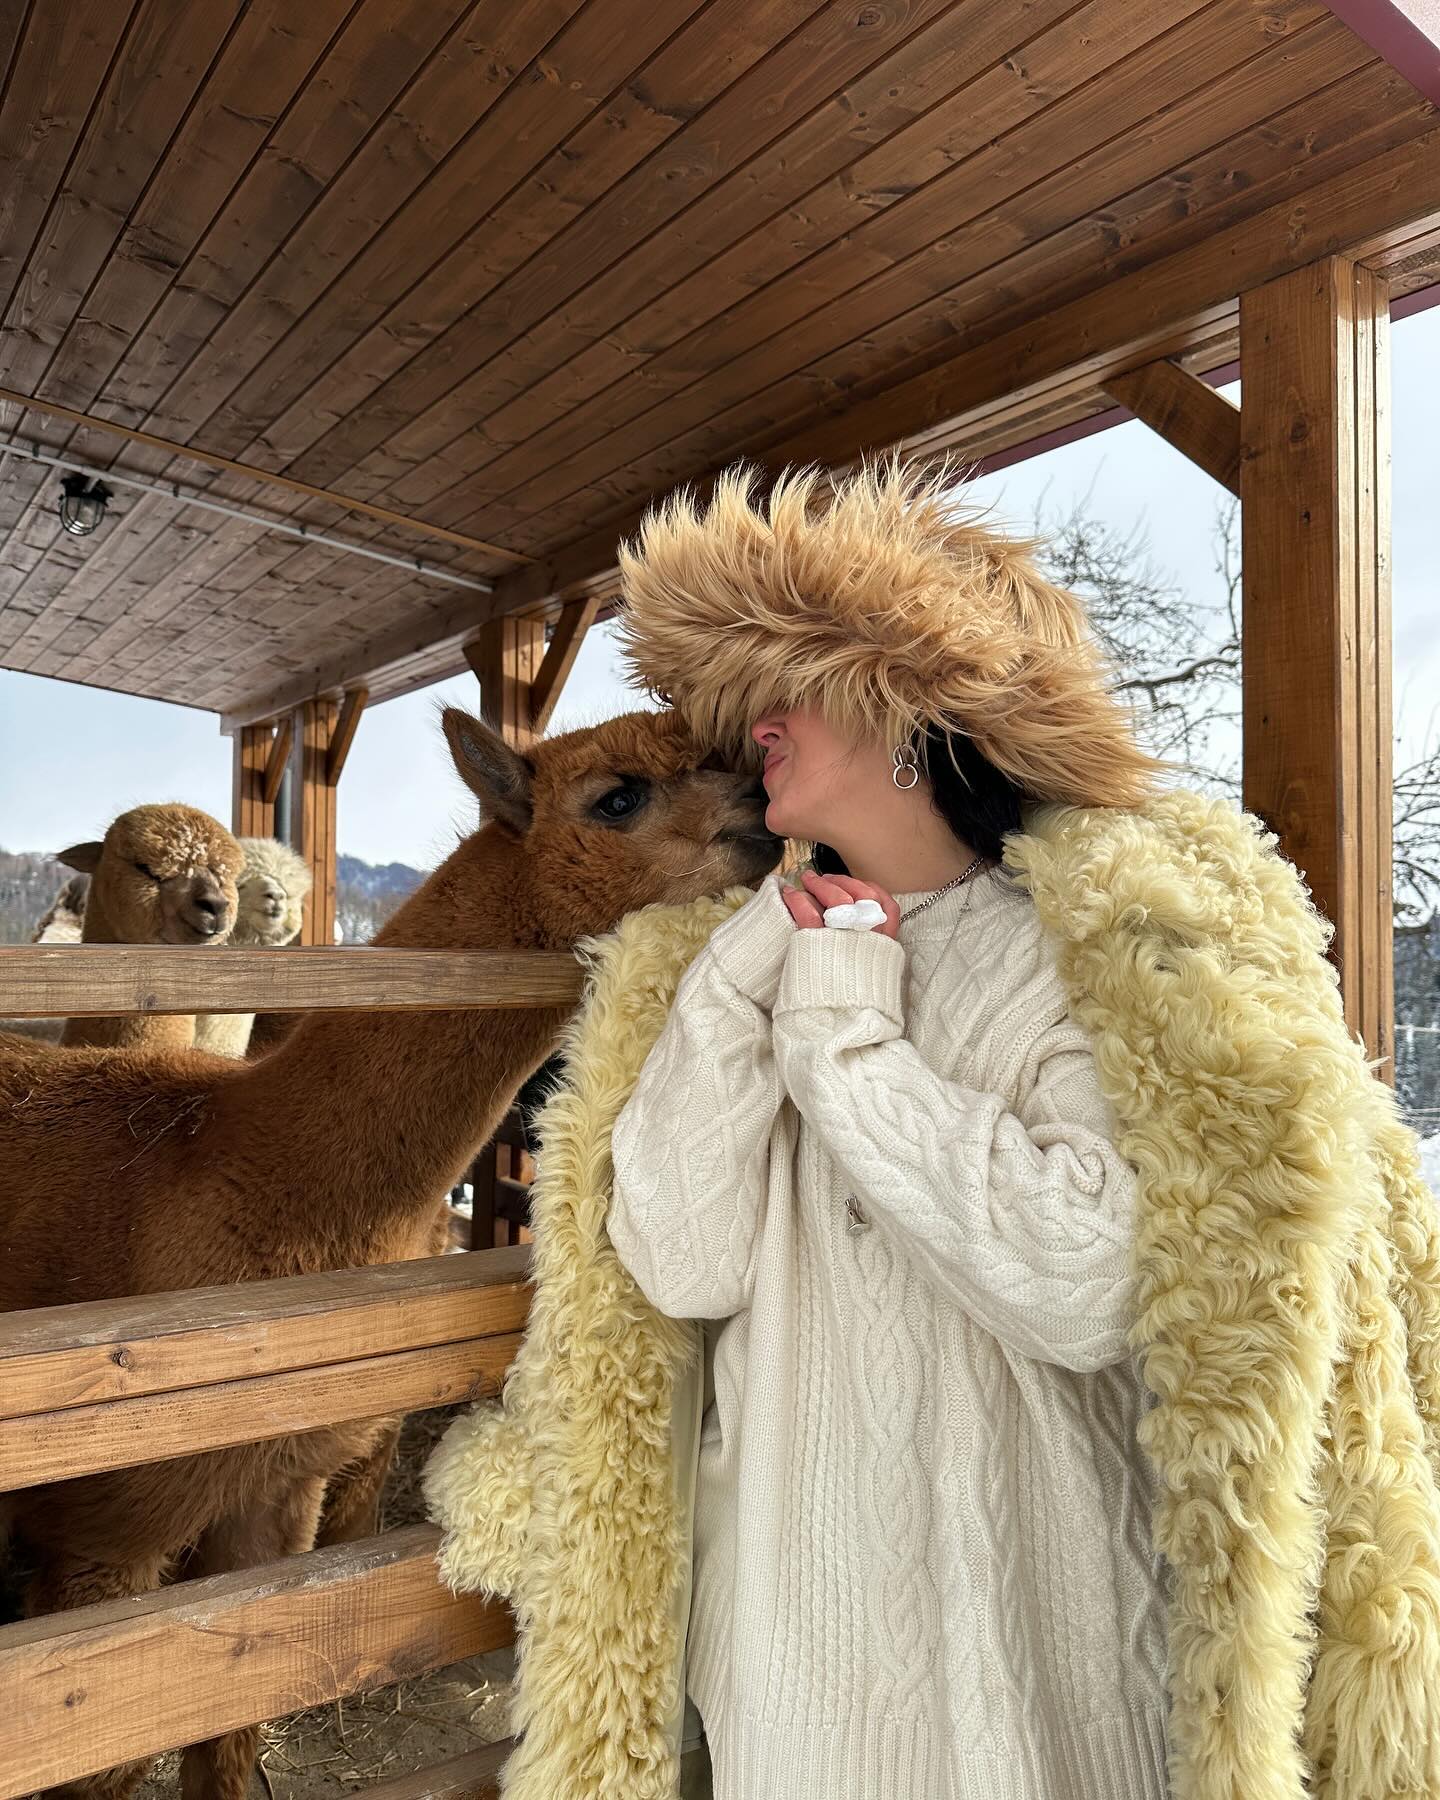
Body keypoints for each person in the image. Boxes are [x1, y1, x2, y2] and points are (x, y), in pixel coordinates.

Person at [603, 458, 1179, 1800]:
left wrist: (848, 1040)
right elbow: (682, 1264)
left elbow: (1090, 1283)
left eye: (792, 685)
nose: (756, 724)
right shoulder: (749, 961)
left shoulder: (1069, 959)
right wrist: (752, 974)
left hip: (1031, 1651)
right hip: (801, 1663)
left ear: (910, 713)